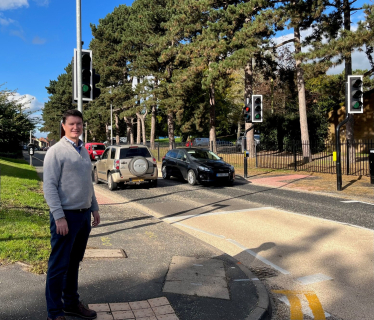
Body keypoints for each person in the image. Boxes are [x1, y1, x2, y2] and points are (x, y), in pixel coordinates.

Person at [43, 109, 100, 320]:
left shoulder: (83, 151)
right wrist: (59, 217)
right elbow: (49, 186)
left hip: (83, 216)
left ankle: (71, 303)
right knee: (58, 266)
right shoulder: (56, 151)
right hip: (65, 217)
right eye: (71, 124)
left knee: (74, 263)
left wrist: (94, 208)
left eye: (79, 124)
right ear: (64, 126)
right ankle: (55, 312)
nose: (76, 127)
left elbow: (89, 184)